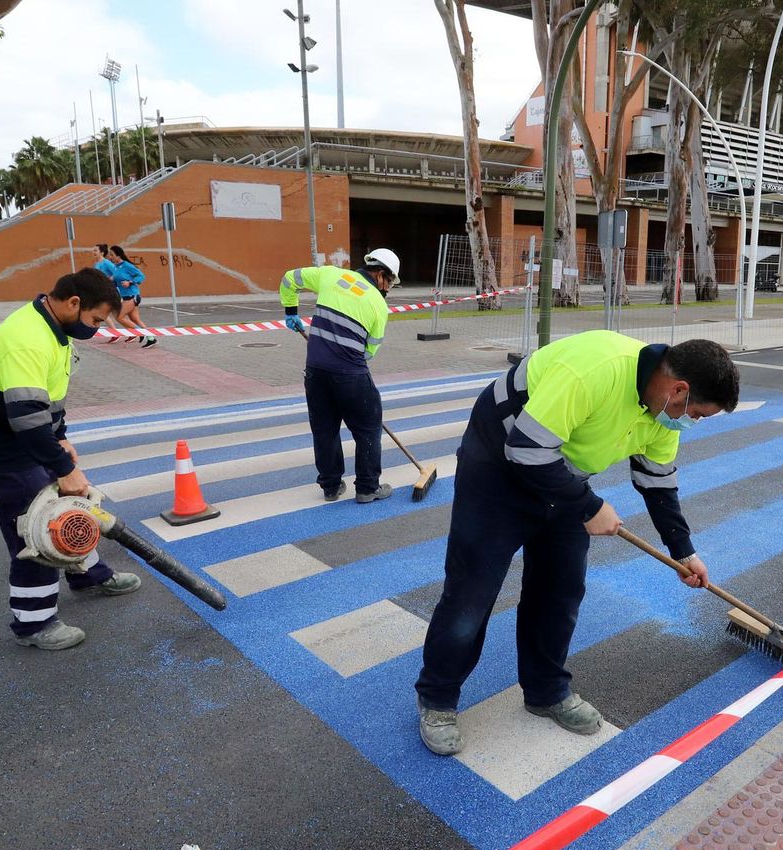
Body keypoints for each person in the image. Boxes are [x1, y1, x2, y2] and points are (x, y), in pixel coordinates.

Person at [413, 332, 740, 755]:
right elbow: (526, 450)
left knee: (561, 589)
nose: (690, 422)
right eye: (695, 413)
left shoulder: (662, 413)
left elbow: (657, 483)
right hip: (498, 467)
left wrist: (684, 552)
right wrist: (588, 507)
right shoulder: (594, 372)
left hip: (563, 476)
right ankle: (437, 699)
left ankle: (546, 690)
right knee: (472, 592)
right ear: (679, 389)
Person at [0, 268, 142, 650]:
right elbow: (25, 417)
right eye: (94, 319)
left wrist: (60, 441)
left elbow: (46, 401)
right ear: (74, 303)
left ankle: (87, 575)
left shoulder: (52, 330)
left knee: (66, 510)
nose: (95, 329)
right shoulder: (27, 339)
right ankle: (34, 625)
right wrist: (65, 469)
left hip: (27, 441)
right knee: (35, 531)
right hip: (4, 451)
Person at [280, 249, 400, 503]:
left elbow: (289, 278)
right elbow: (370, 350)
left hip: (316, 371)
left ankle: (331, 486)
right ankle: (368, 488)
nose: (387, 290)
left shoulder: (330, 275)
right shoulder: (378, 305)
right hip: (350, 375)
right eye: (389, 283)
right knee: (368, 428)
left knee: (324, 429)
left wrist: (291, 311)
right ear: (380, 275)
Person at [106, 244, 155, 348]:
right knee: (135, 320)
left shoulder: (127, 265)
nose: (110, 257)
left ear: (119, 256)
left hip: (133, 296)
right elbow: (116, 281)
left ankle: (140, 333)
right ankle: (152, 339)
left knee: (119, 317)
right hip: (126, 297)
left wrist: (130, 282)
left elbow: (141, 276)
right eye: (109, 255)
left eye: (112, 255)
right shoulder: (116, 267)